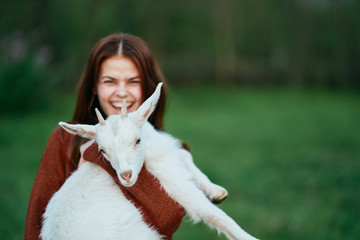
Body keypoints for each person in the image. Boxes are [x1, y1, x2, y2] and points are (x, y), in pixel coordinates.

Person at [25, 33, 186, 240]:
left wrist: (98, 157)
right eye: (110, 81)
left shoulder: (160, 147)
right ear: (94, 87)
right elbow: (35, 224)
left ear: (146, 88)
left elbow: (169, 219)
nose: (121, 92)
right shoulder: (64, 140)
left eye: (132, 82)